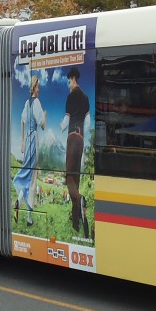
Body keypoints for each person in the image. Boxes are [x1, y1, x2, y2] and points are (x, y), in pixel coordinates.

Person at [62, 65, 92, 240]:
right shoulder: (86, 97)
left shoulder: (71, 96)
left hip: (72, 137)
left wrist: (60, 127)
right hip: (81, 139)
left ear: (73, 78)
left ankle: (80, 199)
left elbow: (66, 122)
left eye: (68, 81)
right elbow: (88, 122)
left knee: (68, 177)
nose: (68, 84)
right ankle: (76, 221)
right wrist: (82, 134)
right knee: (77, 178)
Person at [13, 74, 46, 226]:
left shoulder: (27, 103)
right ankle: (29, 218)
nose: (39, 89)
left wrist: (22, 142)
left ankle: (19, 201)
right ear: (34, 87)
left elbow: (22, 120)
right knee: (32, 179)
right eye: (38, 86)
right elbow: (43, 126)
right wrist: (45, 115)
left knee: (27, 175)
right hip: (34, 139)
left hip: (27, 139)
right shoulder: (37, 103)